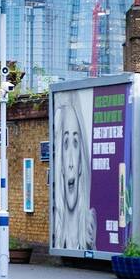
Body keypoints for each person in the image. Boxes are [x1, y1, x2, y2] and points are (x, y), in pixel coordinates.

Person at [53, 93, 97, 251]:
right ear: (60, 163)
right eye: (65, 144)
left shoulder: (92, 228)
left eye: (76, 143)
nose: (71, 162)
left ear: (81, 164)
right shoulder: (56, 233)